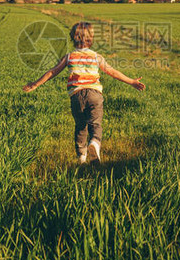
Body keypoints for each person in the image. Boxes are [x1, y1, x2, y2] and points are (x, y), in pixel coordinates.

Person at [23, 21, 145, 165]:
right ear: (91, 39)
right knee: (96, 124)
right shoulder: (96, 57)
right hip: (95, 94)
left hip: (76, 96)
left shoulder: (69, 57)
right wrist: (131, 81)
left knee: (80, 126)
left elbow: (52, 72)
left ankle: (81, 156)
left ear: (72, 38)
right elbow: (112, 72)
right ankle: (94, 143)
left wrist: (35, 84)